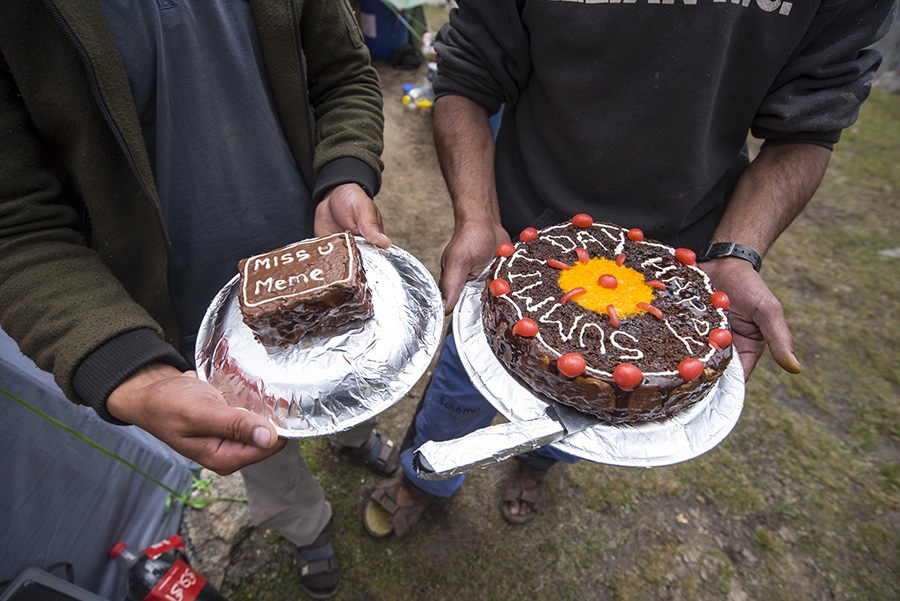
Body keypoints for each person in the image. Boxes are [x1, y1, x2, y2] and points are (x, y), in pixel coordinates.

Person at [363, 0, 897, 537]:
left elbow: (809, 125)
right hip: (520, 260)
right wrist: (478, 214)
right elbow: (468, 72)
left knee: (598, 413)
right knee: (462, 386)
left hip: (678, 276)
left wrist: (738, 251)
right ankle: (425, 478)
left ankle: (537, 466)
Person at [0, 1, 398, 598]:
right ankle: (305, 527)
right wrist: (126, 366)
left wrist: (344, 170)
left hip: (320, 256)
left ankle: (355, 439)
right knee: (258, 444)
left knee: (351, 375)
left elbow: (343, 73)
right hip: (187, 312)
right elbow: (15, 224)